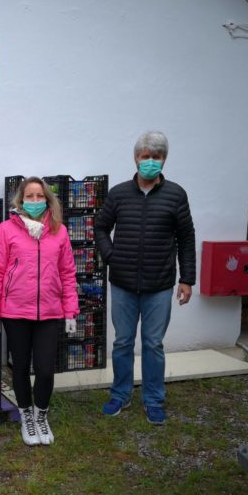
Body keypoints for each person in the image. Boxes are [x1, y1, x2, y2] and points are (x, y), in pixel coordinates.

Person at [95, 130, 196, 425]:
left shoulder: (176, 195)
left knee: (153, 344)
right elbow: (101, 228)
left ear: (164, 160)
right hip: (123, 284)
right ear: (136, 159)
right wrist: (111, 256)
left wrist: (187, 279)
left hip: (159, 285)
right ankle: (120, 394)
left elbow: (186, 238)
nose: (150, 161)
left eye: (156, 156)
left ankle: (153, 399)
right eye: (145, 156)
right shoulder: (119, 194)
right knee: (123, 342)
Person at [0, 177, 79, 446]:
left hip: (49, 311)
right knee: (21, 366)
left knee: (46, 370)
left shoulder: (59, 231)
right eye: (30, 196)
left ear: (47, 200)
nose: (35, 201)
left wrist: (70, 311)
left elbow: (67, 272)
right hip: (15, 312)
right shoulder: (6, 230)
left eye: (40, 196)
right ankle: (26, 414)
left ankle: (41, 415)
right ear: (21, 200)